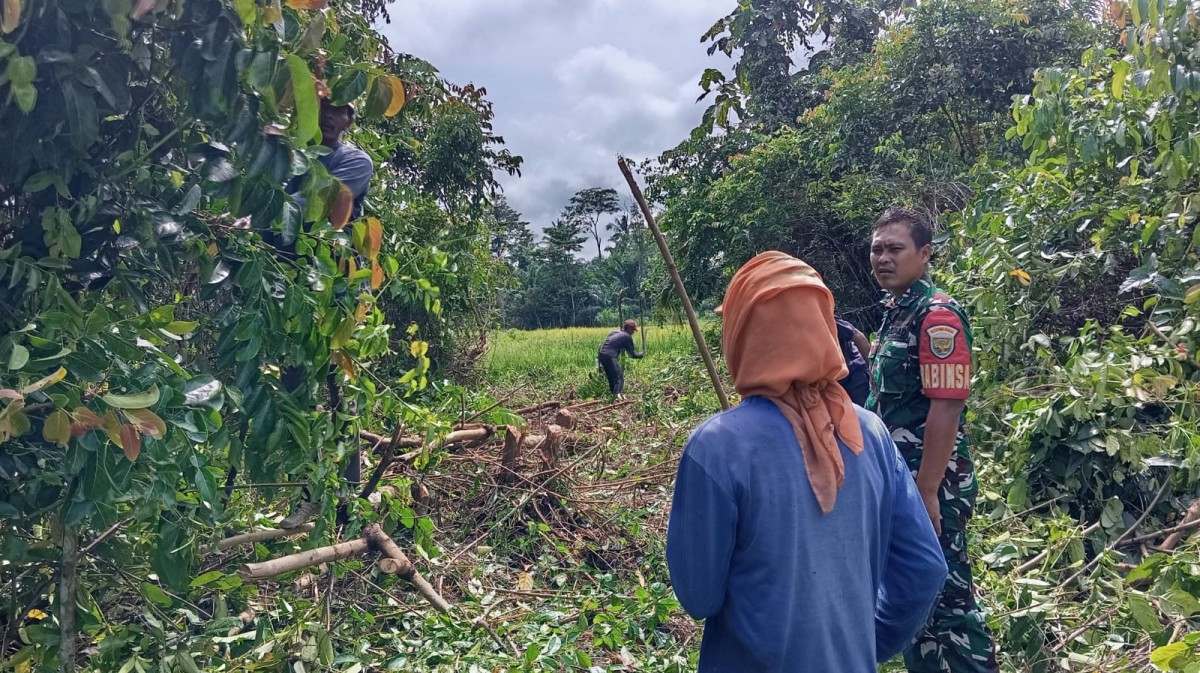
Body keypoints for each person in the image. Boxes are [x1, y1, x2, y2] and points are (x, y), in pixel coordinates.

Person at [666, 251, 947, 673]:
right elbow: (924, 568)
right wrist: (864, 646)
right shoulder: (869, 431)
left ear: (744, 335)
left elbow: (698, 595)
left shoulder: (717, 446)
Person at [866, 207, 1000, 673]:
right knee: (910, 590)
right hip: (903, 478)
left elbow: (947, 406)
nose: (883, 257)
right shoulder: (895, 311)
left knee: (946, 596)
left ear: (924, 254)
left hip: (934, 481)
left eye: (895, 249)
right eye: (877, 249)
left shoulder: (937, 315)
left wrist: (926, 490)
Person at [596, 319, 643, 398]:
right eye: (633, 330)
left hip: (602, 356)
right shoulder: (627, 337)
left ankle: (613, 395)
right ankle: (617, 397)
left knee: (611, 378)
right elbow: (633, 354)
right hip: (610, 356)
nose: (633, 332)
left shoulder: (614, 332)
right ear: (629, 328)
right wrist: (641, 355)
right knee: (619, 378)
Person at [834, 313, 870, 406]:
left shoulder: (827, 319)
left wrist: (873, 368)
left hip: (854, 373)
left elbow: (858, 336)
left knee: (867, 412)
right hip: (835, 382)